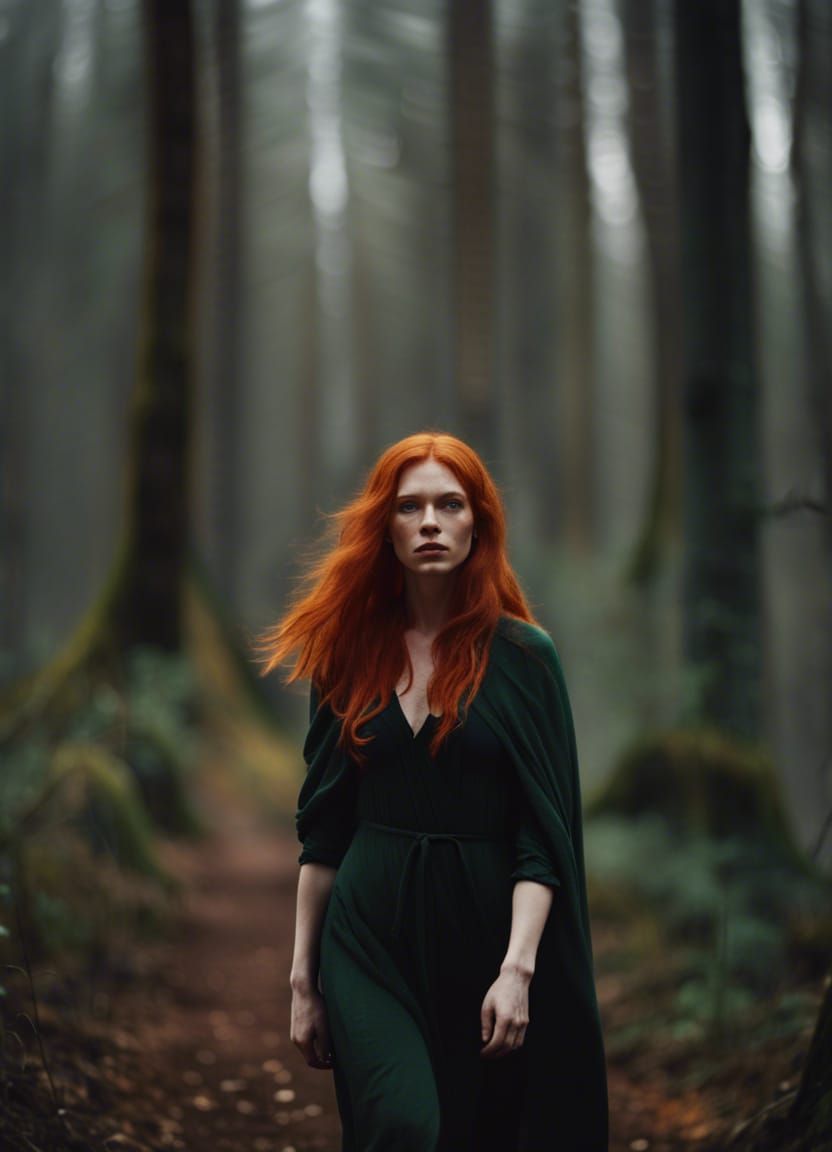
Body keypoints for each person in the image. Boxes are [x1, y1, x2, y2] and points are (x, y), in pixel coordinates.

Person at [254, 431, 608, 1151]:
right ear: (384, 525)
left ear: (478, 521)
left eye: (450, 504)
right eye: (410, 506)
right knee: (401, 1125)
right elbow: (322, 831)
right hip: (367, 940)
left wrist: (517, 971)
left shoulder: (525, 659)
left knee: (479, 1134)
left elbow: (545, 841)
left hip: (483, 943)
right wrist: (301, 981)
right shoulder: (347, 651)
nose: (430, 523)